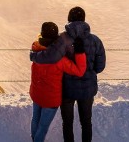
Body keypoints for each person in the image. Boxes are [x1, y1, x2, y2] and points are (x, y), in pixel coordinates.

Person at [30, 7, 106, 142]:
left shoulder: (63, 39)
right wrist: (90, 72)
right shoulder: (95, 40)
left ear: (69, 19)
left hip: (68, 89)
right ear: (83, 19)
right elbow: (100, 66)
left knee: (68, 123)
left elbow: (50, 57)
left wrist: (34, 56)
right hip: (87, 89)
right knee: (86, 122)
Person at [30, 21, 87, 142]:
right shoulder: (60, 60)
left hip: (36, 94)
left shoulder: (35, 51)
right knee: (43, 127)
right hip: (50, 99)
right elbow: (79, 71)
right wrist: (79, 52)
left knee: (35, 120)